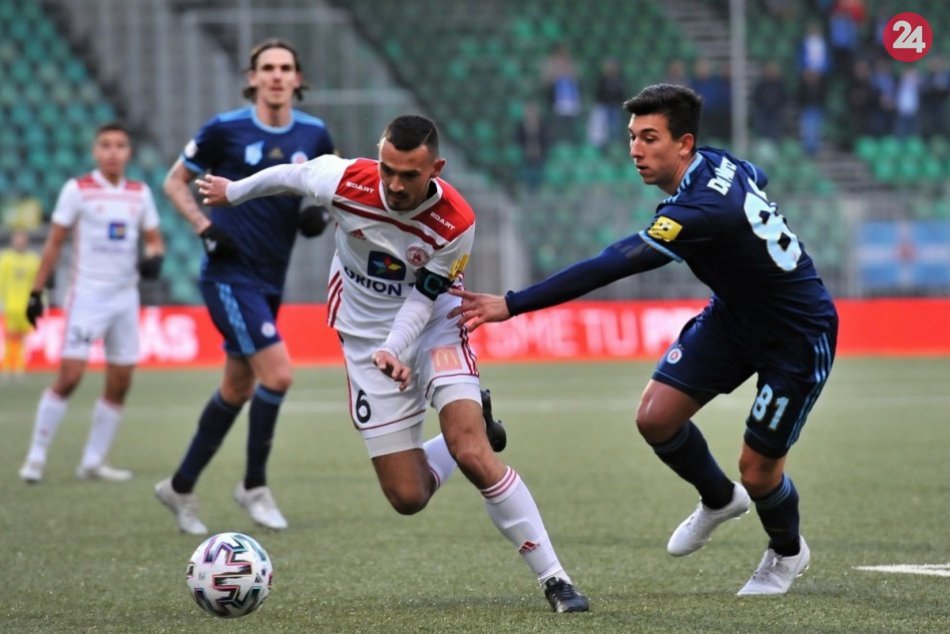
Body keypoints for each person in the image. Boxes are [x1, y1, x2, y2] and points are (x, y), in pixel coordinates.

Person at [449, 84, 838, 597]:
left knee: (759, 471)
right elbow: (755, 176)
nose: (635, 149)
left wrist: (513, 303)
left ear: (684, 143)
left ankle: (787, 553)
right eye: (632, 137)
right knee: (655, 417)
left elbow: (613, 263)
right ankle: (720, 498)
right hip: (735, 319)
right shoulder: (719, 164)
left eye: (649, 138)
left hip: (797, 334)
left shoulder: (697, 211)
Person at [195, 114, 589, 613]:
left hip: (436, 326)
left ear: (436, 169)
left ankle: (555, 579)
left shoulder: (455, 222)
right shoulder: (344, 180)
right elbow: (289, 177)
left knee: (473, 453)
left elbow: (425, 299)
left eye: (409, 175)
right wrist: (233, 193)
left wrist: (397, 349)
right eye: (388, 170)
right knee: (408, 496)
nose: (395, 185)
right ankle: (466, 431)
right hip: (362, 338)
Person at [153, 38, 337, 535]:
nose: (277, 76)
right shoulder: (224, 129)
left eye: (286, 68)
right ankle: (254, 486)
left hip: (270, 278)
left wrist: (318, 214)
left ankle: (180, 485)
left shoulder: (315, 133)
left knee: (237, 387)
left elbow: (330, 187)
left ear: (298, 80)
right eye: (267, 68)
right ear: (251, 77)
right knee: (277, 376)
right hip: (230, 276)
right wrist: (205, 227)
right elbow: (174, 182)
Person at [18, 122, 165, 483]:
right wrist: (37, 292)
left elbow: (154, 240)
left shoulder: (139, 193)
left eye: (120, 145)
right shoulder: (78, 190)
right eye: (106, 145)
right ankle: (36, 456)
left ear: (129, 152)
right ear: (95, 151)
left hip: (124, 298)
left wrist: (154, 257)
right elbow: (54, 243)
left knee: (120, 380)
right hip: (87, 296)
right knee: (69, 375)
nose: (113, 152)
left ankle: (93, 461)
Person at [0, 229, 41, 379]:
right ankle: (7, 365)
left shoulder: (33, 260)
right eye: (17, 238)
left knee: (24, 336)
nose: (20, 242)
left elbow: (38, 282)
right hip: (10, 304)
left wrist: (40, 300)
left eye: (22, 238)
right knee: (10, 335)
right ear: (13, 240)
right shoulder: (5, 259)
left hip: (26, 305)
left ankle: (20, 365)